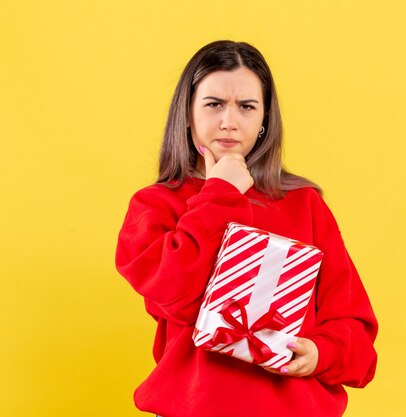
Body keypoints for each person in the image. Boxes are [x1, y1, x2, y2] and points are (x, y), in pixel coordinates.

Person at [115, 40, 378, 417]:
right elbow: (173, 292)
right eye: (214, 104)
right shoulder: (155, 206)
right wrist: (220, 192)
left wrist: (321, 352)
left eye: (247, 106)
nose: (229, 121)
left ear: (264, 119)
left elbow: (355, 331)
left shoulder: (305, 204)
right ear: (187, 114)